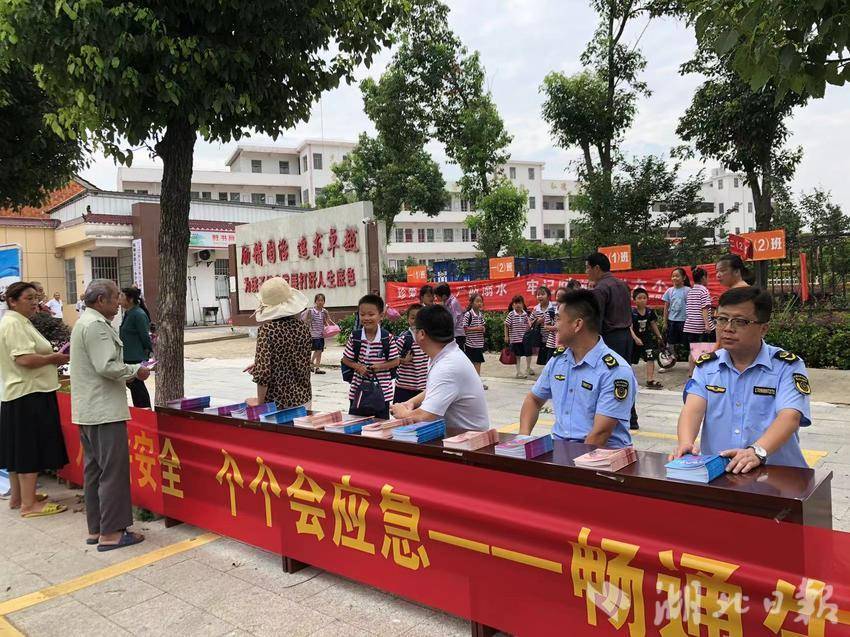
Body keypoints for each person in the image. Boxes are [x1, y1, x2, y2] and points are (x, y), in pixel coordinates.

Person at [673, 286, 811, 472]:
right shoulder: (707, 366)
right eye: (722, 319)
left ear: (763, 329)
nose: (727, 329)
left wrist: (757, 452)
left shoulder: (787, 366)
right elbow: (692, 409)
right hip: (721, 472)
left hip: (777, 474)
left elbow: (790, 416)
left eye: (740, 322)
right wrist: (685, 443)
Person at [70, 279, 150, 550]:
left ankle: (97, 528)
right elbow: (107, 366)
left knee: (95, 471)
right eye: (115, 297)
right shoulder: (96, 326)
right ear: (101, 300)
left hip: (89, 410)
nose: (119, 302)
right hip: (104, 412)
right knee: (113, 472)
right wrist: (135, 371)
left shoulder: (85, 322)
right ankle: (112, 532)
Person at [519, 290, 636, 448]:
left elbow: (600, 434)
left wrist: (570, 461)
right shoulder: (558, 361)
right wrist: (523, 439)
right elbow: (533, 400)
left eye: (559, 319)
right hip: (562, 450)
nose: (555, 325)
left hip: (601, 456)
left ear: (577, 324)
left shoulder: (616, 371)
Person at [0, 282, 70, 517]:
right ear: (12, 301)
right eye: (28, 298)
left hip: (23, 392)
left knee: (18, 448)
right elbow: (25, 359)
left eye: (36, 297)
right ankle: (29, 505)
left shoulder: (19, 321)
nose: (34, 302)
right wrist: (53, 358)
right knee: (28, 449)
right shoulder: (13, 324)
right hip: (28, 393)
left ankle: (19, 497)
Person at [390, 305, 489, 434]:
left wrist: (403, 413)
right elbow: (437, 388)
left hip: (470, 439)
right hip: (457, 435)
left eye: (414, 329)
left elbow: (425, 416)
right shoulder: (443, 354)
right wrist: (411, 402)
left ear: (421, 334)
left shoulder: (447, 366)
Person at [586, 252, 637, 429]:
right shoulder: (622, 285)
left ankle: (610, 418)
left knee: (608, 379)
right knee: (625, 376)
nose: (586, 272)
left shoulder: (600, 289)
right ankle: (631, 417)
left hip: (610, 338)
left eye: (588, 268)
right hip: (626, 336)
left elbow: (597, 318)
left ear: (596, 268)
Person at [250, 277, 312, 409]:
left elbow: (263, 374)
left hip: (277, 404)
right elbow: (297, 359)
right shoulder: (303, 328)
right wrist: (260, 363)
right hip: (304, 399)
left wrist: (259, 403)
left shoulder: (267, 330)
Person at [341, 294, 400, 419]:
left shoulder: (387, 338)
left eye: (371, 314)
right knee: (356, 423)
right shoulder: (355, 337)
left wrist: (379, 366)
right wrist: (358, 367)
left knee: (380, 426)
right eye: (362, 314)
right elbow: (345, 359)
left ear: (381, 316)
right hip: (358, 392)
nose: (366, 318)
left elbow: (395, 361)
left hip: (382, 393)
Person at [118, 287, 153, 408]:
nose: (119, 299)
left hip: (136, 357)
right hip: (128, 356)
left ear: (131, 299)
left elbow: (145, 336)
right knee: (133, 387)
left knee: (137, 387)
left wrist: (149, 352)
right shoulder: (128, 313)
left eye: (122, 296)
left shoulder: (138, 314)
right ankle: (140, 410)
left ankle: (145, 410)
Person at [683, 267, 716, 376]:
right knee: (707, 349)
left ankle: (691, 372)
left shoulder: (691, 291)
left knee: (693, 350)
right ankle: (704, 372)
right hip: (700, 326)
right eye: (707, 277)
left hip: (690, 325)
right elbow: (704, 309)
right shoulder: (704, 290)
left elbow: (693, 307)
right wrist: (707, 325)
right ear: (703, 278)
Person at [394, 303, 430, 404]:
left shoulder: (429, 340)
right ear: (408, 319)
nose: (416, 321)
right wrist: (403, 360)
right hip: (404, 388)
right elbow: (391, 360)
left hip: (423, 388)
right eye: (413, 318)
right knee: (401, 412)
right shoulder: (404, 340)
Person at [630, 287, 664, 389]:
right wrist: (635, 338)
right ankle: (629, 379)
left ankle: (650, 380)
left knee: (650, 358)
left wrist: (659, 336)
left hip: (647, 339)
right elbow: (629, 327)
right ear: (634, 300)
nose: (642, 300)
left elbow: (653, 324)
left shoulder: (649, 312)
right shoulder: (632, 312)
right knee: (630, 360)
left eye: (644, 298)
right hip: (634, 340)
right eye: (639, 298)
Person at [661, 267, 691, 367]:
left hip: (685, 322)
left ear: (684, 277)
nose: (674, 278)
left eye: (677, 276)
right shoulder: (669, 291)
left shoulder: (688, 290)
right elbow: (666, 308)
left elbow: (692, 307)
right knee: (670, 343)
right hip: (672, 321)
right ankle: (670, 362)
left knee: (688, 344)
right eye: (673, 276)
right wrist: (665, 322)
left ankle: (692, 366)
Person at [462, 293, 487, 390]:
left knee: (477, 363)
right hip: (470, 344)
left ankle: (476, 382)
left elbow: (483, 326)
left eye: (481, 301)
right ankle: (474, 383)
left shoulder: (480, 314)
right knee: (472, 364)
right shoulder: (468, 314)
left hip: (479, 344)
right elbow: (464, 328)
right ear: (472, 303)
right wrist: (477, 328)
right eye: (477, 301)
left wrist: (483, 329)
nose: (479, 303)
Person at [504, 294, 533, 378]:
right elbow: (506, 325)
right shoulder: (511, 314)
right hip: (515, 339)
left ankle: (528, 368)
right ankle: (518, 372)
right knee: (517, 356)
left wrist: (530, 325)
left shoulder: (525, 314)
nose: (517, 305)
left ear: (523, 304)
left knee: (528, 353)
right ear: (513, 305)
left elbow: (528, 326)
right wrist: (506, 336)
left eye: (519, 303)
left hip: (525, 339)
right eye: (515, 303)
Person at [303, 293, 331, 375]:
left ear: (324, 302)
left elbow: (326, 322)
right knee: (318, 350)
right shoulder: (311, 311)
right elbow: (304, 320)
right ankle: (311, 362)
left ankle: (317, 368)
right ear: (315, 301)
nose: (320, 302)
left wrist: (327, 316)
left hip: (321, 334)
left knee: (320, 351)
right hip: (314, 334)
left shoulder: (324, 312)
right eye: (318, 300)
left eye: (322, 300)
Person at [531, 286, 557, 366]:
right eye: (538, 295)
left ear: (548, 296)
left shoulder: (554, 307)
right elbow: (529, 323)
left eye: (542, 294)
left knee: (554, 360)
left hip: (553, 340)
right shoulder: (536, 309)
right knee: (545, 361)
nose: (540, 296)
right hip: (542, 339)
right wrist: (537, 322)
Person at [434, 283, 465, 348]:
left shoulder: (453, 303)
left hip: (457, 335)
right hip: (454, 334)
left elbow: (453, 321)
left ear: (444, 296)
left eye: (437, 296)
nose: (436, 298)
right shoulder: (447, 302)